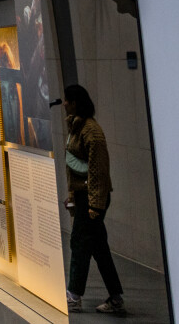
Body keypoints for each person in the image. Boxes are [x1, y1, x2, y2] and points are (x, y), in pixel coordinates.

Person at [64, 84, 124, 314]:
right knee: (99, 247)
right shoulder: (76, 128)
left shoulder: (92, 132)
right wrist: (72, 195)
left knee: (79, 243)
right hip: (84, 196)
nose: (64, 104)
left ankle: (74, 296)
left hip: (92, 199)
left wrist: (95, 206)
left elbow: (98, 172)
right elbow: (74, 168)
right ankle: (116, 298)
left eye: (67, 100)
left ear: (75, 102)